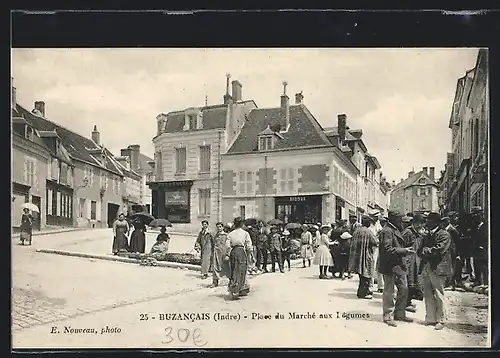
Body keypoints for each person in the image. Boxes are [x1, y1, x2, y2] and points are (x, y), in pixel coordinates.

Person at [417, 212, 453, 330]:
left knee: (439, 294)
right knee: (427, 293)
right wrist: (425, 251)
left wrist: (426, 251)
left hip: (439, 268)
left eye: (428, 220)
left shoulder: (444, 235)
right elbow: (419, 250)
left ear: (435, 222)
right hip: (427, 267)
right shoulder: (427, 235)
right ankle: (430, 318)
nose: (426, 222)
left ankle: (440, 320)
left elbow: (439, 250)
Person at [379, 211, 415, 327]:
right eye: (400, 219)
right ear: (394, 219)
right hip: (390, 266)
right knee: (389, 292)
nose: (402, 222)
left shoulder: (395, 229)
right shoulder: (387, 231)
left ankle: (400, 313)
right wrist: (404, 251)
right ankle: (388, 316)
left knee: (404, 289)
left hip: (398, 265)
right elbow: (387, 249)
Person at [349, 215, 378, 298]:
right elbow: (375, 242)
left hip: (357, 256)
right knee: (366, 274)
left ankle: (363, 291)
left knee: (361, 275)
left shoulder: (356, 231)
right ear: (368, 223)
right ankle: (363, 293)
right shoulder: (368, 232)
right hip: (366, 255)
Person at [401, 213, 425, 313]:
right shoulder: (408, 232)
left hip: (415, 260)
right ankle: (405, 303)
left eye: (422, 224)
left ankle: (409, 301)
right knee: (407, 282)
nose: (420, 226)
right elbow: (401, 246)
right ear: (414, 223)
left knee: (413, 281)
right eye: (419, 224)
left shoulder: (418, 232)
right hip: (408, 260)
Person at [225, 217, 252, 300]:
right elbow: (249, 245)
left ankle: (235, 288)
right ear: (241, 224)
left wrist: (228, 254)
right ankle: (240, 289)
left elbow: (228, 246)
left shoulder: (230, 234)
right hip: (241, 252)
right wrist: (251, 254)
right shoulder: (245, 233)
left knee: (234, 270)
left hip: (233, 252)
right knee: (241, 270)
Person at [470, 206, 487, 287]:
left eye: (476, 214)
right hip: (475, 249)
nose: (474, 216)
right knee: (476, 265)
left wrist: (483, 246)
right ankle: (478, 280)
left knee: (483, 265)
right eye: (473, 214)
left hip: (483, 249)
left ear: (480, 214)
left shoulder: (485, 225)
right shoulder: (474, 226)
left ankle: (486, 282)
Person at [368, 209, 384, 293]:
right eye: (375, 217)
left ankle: (380, 285)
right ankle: (370, 284)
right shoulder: (369, 227)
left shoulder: (379, 225)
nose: (376, 219)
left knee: (379, 266)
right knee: (372, 266)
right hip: (372, 247)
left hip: (379, 248)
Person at [211, 222, 228, 287]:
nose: (219, 228)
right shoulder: (215, 235)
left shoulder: (226, 235)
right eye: (217, 227)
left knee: (226, 267)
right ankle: (215, 282)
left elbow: (229, 245)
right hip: (216, 253)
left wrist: (228, 254)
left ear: (223, 227)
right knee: (215, 267)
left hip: (223, 253)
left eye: (220, 227)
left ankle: (229, 281)